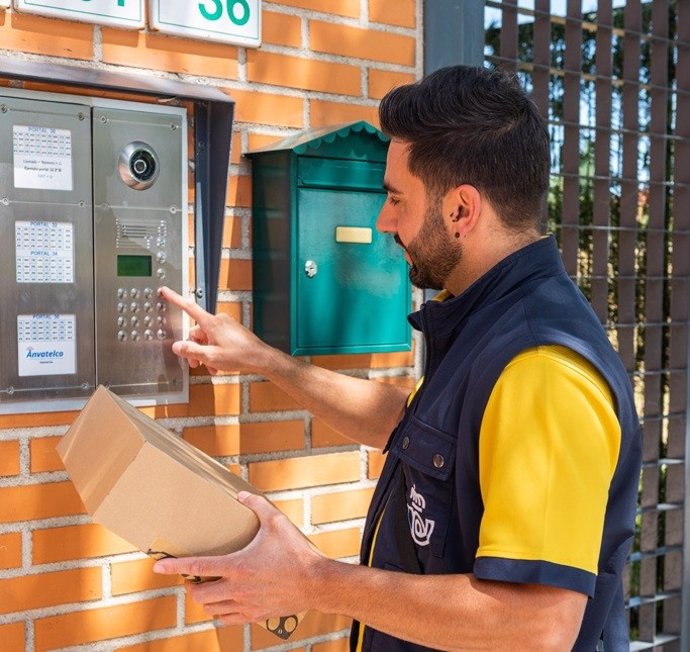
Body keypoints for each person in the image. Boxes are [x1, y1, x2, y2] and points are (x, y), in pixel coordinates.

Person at [153, 65, 642, 651]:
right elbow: (407, 426)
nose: (384, 221)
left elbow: (534, 625)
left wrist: (311, 582)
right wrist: (263, 359)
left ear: (462, 210)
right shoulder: (484, 321)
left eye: (395, 198)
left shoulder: (540, 368)